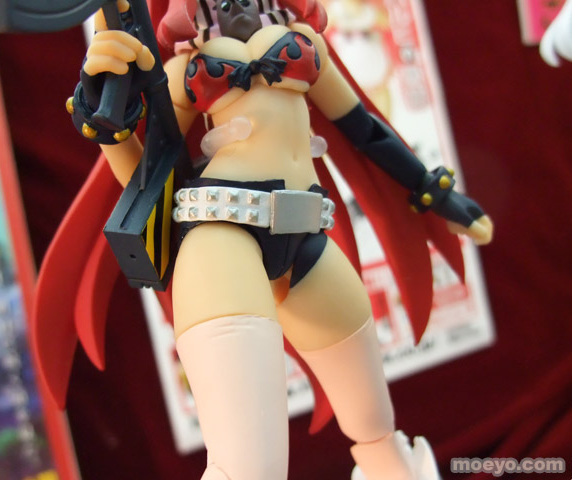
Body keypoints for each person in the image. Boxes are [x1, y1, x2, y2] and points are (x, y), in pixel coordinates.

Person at [34, 1, 493, 479]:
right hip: (221, 236)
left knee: (376, 430)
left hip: (306, 235)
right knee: (248, 467)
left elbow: (367, 131)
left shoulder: (307, 43)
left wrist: (434, 193)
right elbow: (146, 175)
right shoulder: (184, 67)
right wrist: (105, 112)